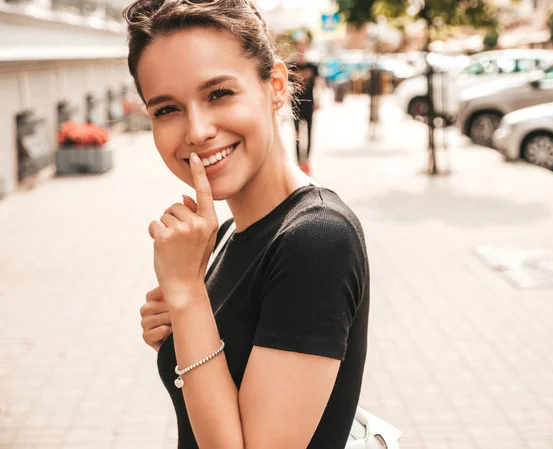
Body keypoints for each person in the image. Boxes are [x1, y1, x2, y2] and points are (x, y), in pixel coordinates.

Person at [125, 0, 370, 448]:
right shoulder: (222, 236)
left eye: (219, 94)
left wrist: (187, 296)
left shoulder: (316, 239)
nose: (196, 131)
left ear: (275, 86)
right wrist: (180, 323)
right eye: (166, 109)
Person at [289, 33, 323, 175]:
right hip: (296, 105)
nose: (301, 48)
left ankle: (306, 161)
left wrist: (319, 99)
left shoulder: (312, 66)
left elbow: (320, 83)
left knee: (309, 134)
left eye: (304, 45)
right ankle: (298, 163)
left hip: (309, 104)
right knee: (297, 134)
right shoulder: (292, 65)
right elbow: (286, 84)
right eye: (299, 45)